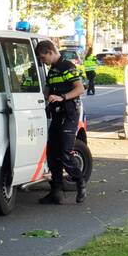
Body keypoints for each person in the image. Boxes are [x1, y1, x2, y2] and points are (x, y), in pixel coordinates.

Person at [35, 40, 87, 204]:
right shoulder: (52, 70)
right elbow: (48, 91)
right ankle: (56, 192)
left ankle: (80, 183)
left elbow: (80, 88)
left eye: (43, 58)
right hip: (57, 115)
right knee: (52, 154)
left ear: (50, 52)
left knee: (65, 153)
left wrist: (62, 97)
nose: (43, 61)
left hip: (69, 114)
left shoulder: (67, 67)